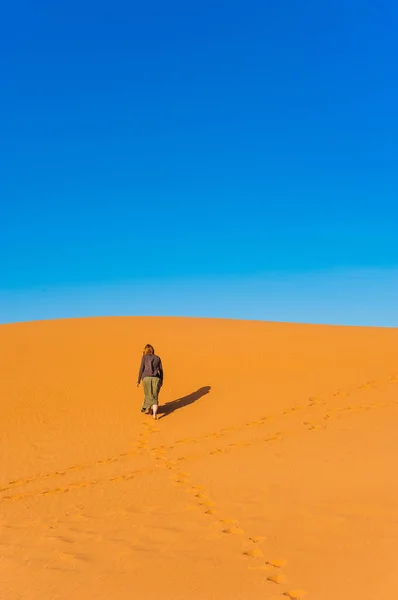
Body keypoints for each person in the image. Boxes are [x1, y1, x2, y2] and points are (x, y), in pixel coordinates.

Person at [137, 344, 163, 419]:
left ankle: (149, 411)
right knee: (155, 397)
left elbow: (141, 369)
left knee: (148, 395)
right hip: (156, 379)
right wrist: (161, 380)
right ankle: (154, 414)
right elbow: (161, 371)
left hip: (146, 378)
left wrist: (138, 380)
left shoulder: (144, 357)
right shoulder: (158, 358)